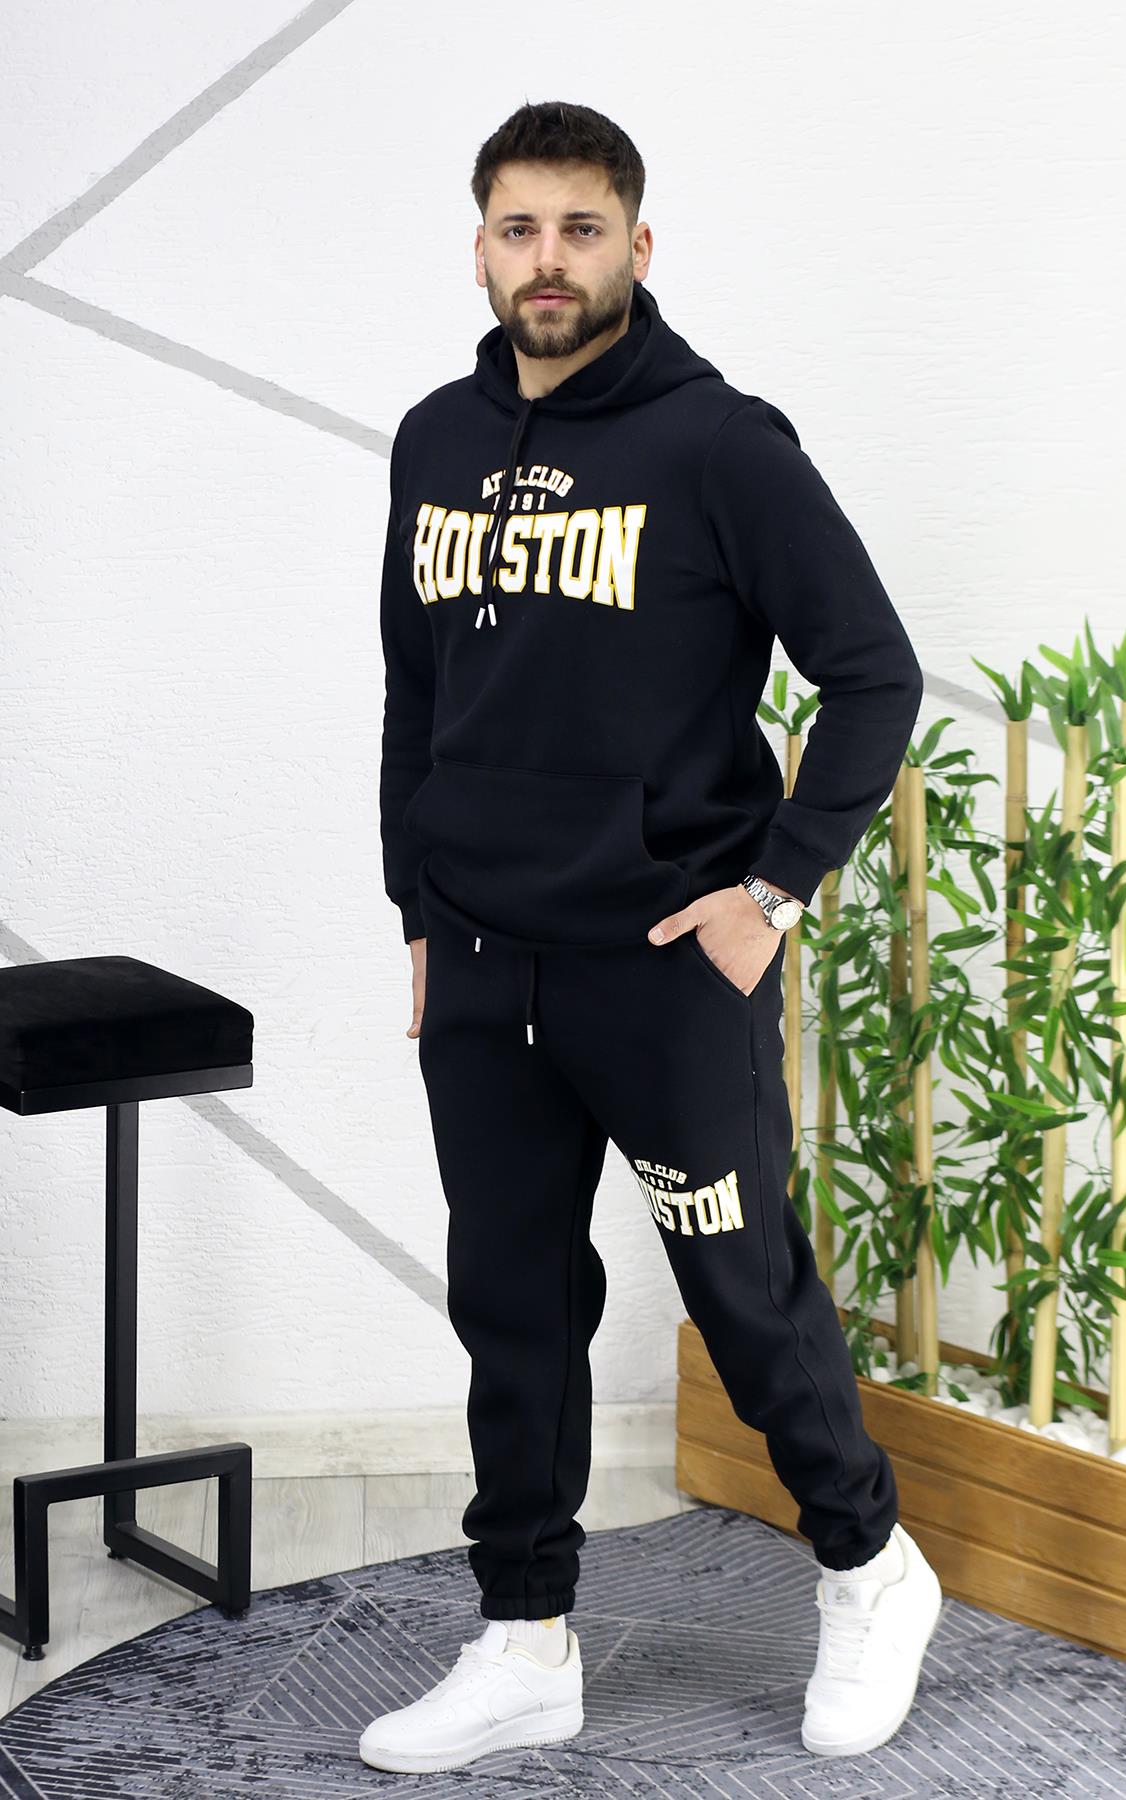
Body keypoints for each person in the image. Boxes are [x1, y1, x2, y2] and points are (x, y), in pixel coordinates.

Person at [359, 100, 941, 1776]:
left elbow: (873, 674)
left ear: (637, 245)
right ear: (481, 249)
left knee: (743, 1294)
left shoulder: (717, 445)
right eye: (520, 229)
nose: (548, 261)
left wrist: (772, 894)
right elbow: (418, 692)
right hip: (484, 962)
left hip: (668, 963)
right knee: (513, 1308)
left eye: (582, 229)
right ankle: (525, 1642)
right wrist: (416, 904)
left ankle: (871, 1568)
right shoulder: (432, 440)